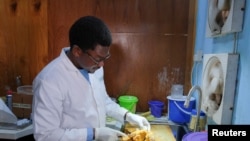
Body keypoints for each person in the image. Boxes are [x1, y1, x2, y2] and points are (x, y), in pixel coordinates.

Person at [32, 16, 150, 141]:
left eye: (105, 58)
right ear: (77, 51)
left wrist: (127, 116)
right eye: (98, 59)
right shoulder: (49, 81)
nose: (101, 65)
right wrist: (93, 134)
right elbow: (45, 135)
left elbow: (102, 101)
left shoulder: (94, 67)